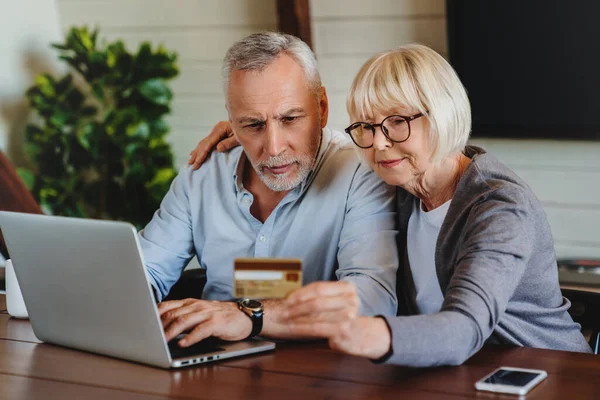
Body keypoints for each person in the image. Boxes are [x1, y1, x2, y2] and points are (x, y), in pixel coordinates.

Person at [191, 44, 591, 366]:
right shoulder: (399, 186)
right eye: (366, 126)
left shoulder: (499, 207)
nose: (379, 143)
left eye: (397, 121)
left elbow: (463, 329)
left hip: (548, 376)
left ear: (443, 114)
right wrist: (246, 132)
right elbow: (320, 141)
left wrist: (363, 331)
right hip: (450, 377)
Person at [139, 32, 398, 348]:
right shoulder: (203, 174)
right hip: (212, 367)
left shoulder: (359, 173)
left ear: (323, 107)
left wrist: (249, 315)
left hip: (317, 370)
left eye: (290, 119)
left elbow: (373, 300)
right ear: (231, 121)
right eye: (253, 125)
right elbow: (143, 272)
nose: (274, 148)